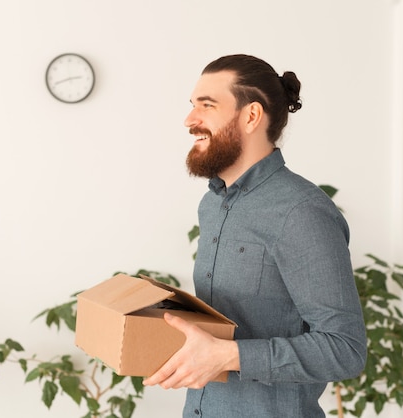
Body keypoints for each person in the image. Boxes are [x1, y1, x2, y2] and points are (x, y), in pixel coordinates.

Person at [143, 54, 367, 418]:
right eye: (192, 106)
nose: (189, 120)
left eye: (207, 105)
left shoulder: (302, 211)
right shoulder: (212, 204)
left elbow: (345, 349)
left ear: (250, 116)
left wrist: (230, 356)